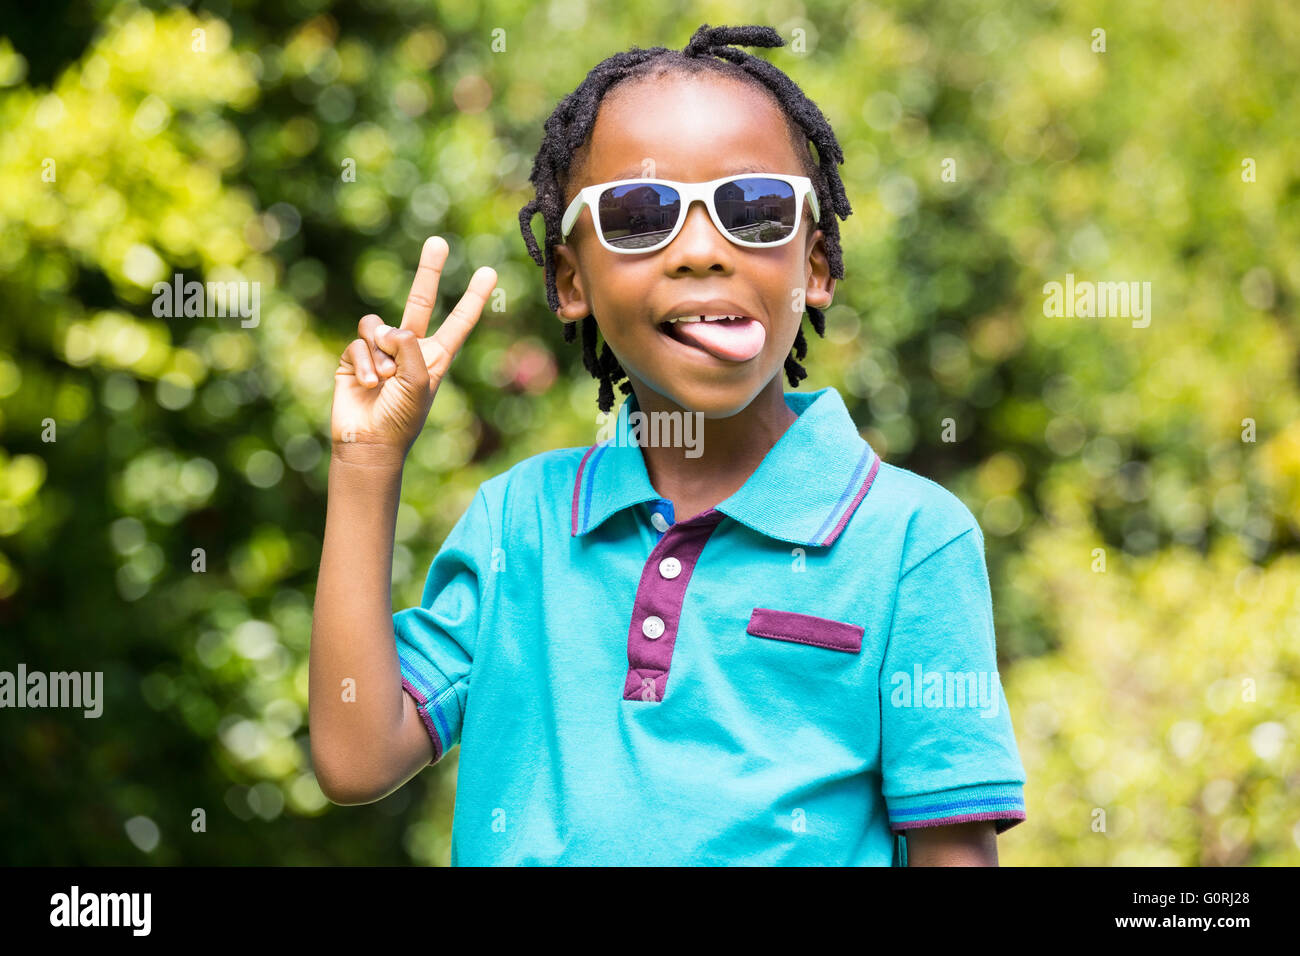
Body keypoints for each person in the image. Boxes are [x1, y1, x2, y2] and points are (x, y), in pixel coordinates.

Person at [309, 23, 1026, 866]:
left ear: (816, 266)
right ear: (571, 280)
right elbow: (357, 759)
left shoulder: (911, 540)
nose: (700, 252)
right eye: (639, 216)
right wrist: (366, 464)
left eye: (753, 210)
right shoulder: (519, 521)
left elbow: (953, 852)